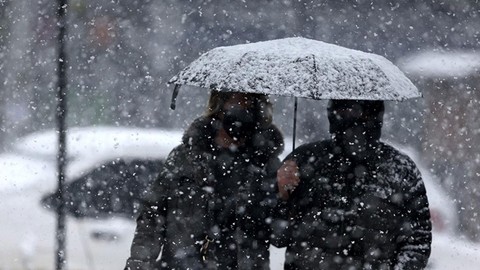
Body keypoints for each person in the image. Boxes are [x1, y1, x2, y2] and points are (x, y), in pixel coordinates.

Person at [124, 90, 284, 270]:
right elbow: (152, 217)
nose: (244, 113)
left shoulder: (266, 167)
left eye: (251, 107)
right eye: (238, 104)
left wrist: (285, 195)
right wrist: (138, 264)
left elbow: (280, 236)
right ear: (219, 107)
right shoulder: (185, 158)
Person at [273, 100, 432, 270]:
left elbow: (418, 241)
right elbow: (277, 236)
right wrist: (281, 193)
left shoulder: (400, 169)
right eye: (345, 111)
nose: (355, 121)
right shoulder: (304, 162)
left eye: (364, 113)